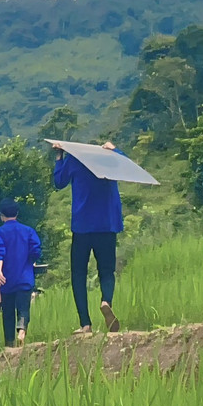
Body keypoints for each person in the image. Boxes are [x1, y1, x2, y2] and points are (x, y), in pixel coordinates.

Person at [53, 141, 126, 333]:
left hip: (82, 227)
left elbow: (59, 182)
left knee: (78, 274)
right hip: (106, 225)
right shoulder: (109, 160)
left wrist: (59, 157)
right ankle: (106, 301)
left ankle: (85, 324)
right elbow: (126, 166)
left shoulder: (74, 161)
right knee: (107, 271)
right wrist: (115, 150)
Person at [0, 198, 42, 348]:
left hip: (7, 280)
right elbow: (36, 250)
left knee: (8, 313)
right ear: (17, 213)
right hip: (25, 278)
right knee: (23, 308)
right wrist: (30, 259)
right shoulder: (28, 231)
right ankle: (22, 329)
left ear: (1, 215)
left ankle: (9, 344)